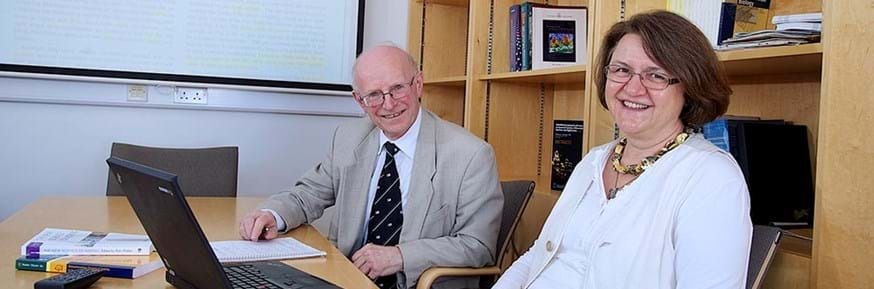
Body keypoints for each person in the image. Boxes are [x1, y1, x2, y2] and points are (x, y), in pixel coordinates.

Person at [493, 10, 752, 289]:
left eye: (655, 75)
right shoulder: (593, 161)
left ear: (690, 86)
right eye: (621, 70)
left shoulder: (711, 179)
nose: (632, 88)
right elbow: (539, 257)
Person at [238, 44, 503, 289]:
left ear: (418, 84)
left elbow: (478, 245)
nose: (388, 104)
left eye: (398, 88)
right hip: (347, 279)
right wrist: (273, 214)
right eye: (374, 95)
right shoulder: (349, 138)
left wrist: (400, 256)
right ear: (359, 100)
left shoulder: (471, 155)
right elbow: (309, 194)